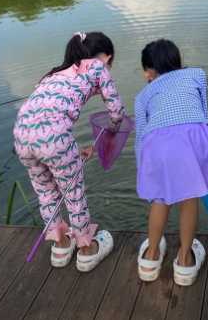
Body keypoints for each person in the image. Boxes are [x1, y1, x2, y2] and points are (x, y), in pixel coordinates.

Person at [14, 32, 125, 272]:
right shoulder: (98, 66)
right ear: (106, 57)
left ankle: (61, 247)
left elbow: (49, 117)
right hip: (54, 141)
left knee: (45, 192)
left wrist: (74, 151)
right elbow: (116, 110)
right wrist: (114, 130)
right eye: (111, 61)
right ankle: (86, 251)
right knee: (73, 194)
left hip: (22, 137)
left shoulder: (53, 74)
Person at [135, 39, 208, 286]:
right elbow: (203, 111)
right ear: (178, 61)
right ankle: (185, 260)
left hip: (156, 144)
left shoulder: (142, 95)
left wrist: (145, 171)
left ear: (148, 71)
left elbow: (140, 136)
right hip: (193, 139)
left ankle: (151, 257)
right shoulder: (197, 75)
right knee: (189, 200)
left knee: (160, 199)